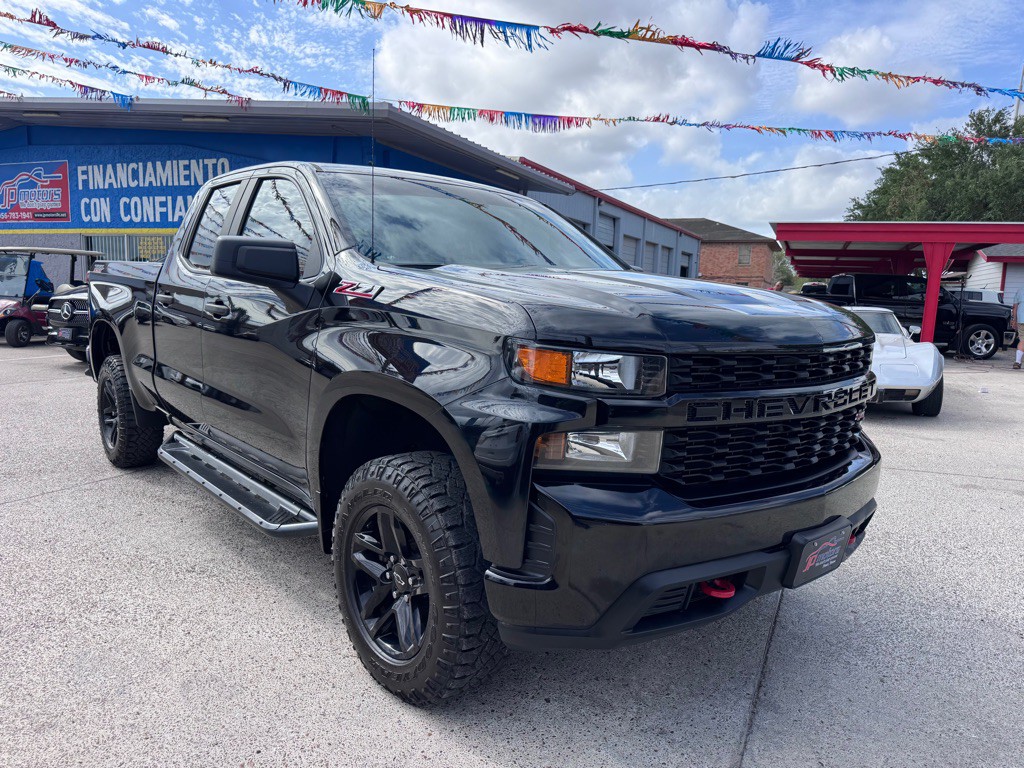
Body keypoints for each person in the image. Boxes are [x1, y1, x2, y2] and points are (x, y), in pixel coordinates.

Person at [1014, 286, 1024, 369]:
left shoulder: (1020, 290)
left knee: (1022, 340)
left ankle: (1017, 362)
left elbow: (1015, 307)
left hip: (1021, 320)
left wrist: (1014, 320)